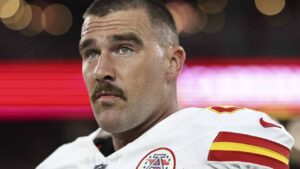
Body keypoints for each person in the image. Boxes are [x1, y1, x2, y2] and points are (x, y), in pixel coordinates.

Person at [37, 0, 294, 168]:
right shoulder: (60, 163)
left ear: (172, 62)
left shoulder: (223, 137)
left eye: (124, 49)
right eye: (91, 53)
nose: (101, 71)